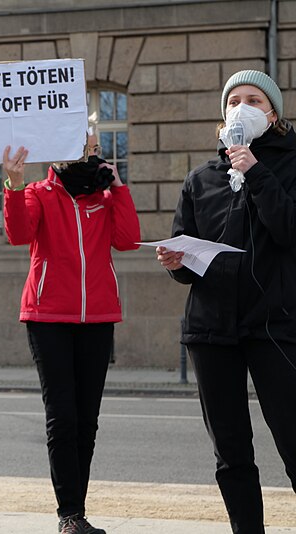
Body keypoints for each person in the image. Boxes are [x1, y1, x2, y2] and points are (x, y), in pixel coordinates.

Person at [157, 70, 296, 534]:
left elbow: (290, 231)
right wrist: (176, 259)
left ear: (272, 113)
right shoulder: (202, 179)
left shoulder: (291, 164)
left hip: (276, 326)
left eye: (253, 99)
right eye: (233, 100)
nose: (241, 106)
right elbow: (189, 257)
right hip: (212, 330)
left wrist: (256, 172)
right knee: (231, 451)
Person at [3, 125, 141, 534]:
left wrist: (118, 188)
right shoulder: (40, 193)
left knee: (87, 419)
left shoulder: (101, 195)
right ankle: (69, 515)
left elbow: (129, 240)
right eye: (87, 149)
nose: (93, 157)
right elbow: (19, 235)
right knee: (62, 417)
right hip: (48, 317)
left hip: (97, 317)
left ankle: (78, 513)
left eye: (96, 149)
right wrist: (14, 183)